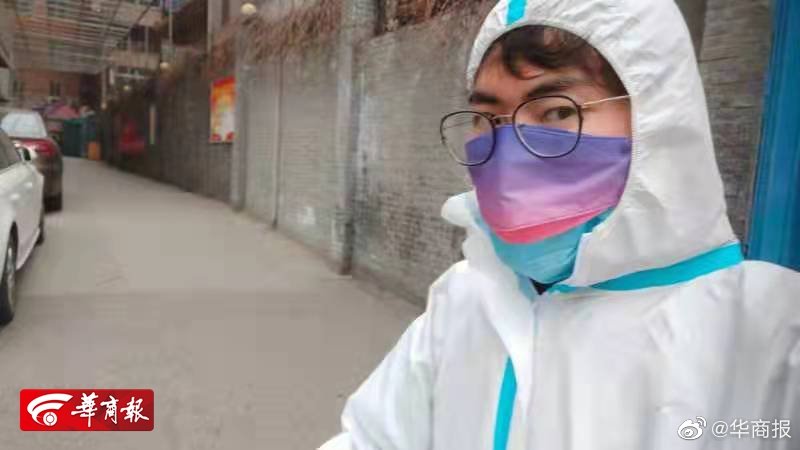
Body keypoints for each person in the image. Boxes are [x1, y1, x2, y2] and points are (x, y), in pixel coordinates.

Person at [319, 0, 800, 448]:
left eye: (555, 111)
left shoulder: (766, 333)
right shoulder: (467, 298)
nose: (509, 152)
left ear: (656, 117)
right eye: (487, 119)